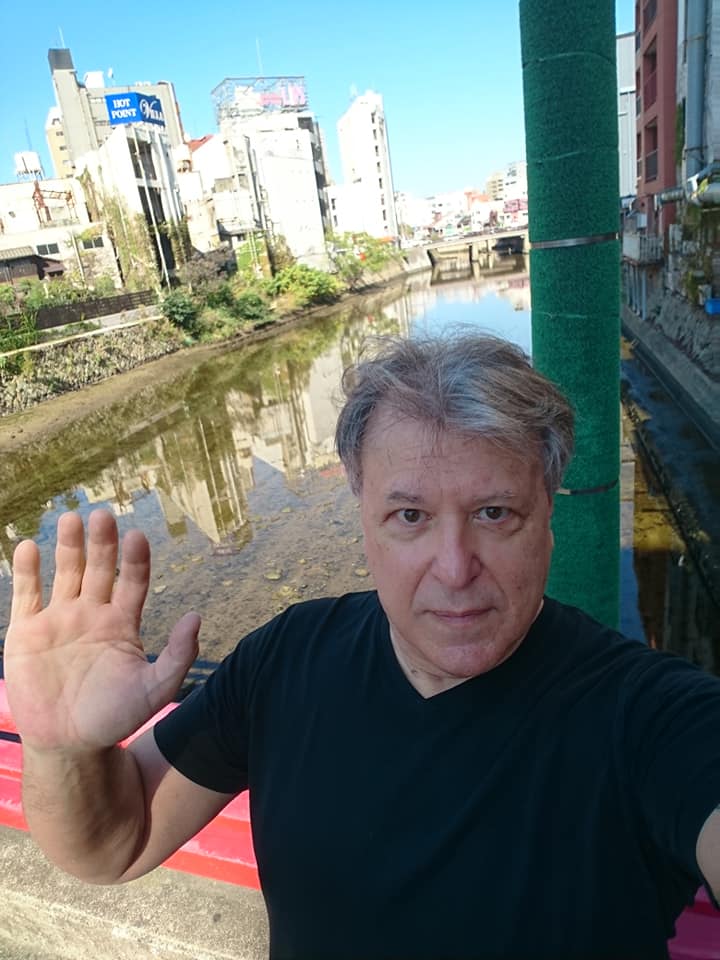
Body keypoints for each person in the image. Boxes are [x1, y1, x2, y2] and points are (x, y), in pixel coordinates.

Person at [5, 332, 720, 960]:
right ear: (363, 515)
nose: (454, 568)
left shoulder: (648, 717)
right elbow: (114, 844)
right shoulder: (285, 660)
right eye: (410, 515)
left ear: (547, 518)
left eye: (494, 512)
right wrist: (61, 747)